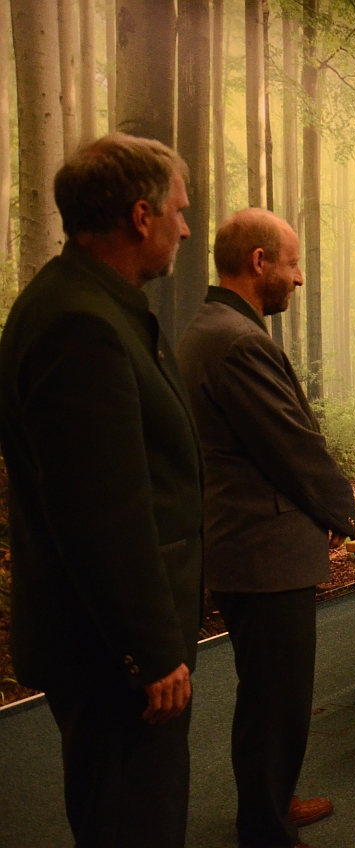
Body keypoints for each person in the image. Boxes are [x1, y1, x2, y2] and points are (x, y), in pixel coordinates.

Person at [0, 134, 201, 846]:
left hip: (110, 642)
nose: (186, 228)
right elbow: (101, 513)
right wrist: (149, 650)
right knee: (131, 821)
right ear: (141, 216)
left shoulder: (92, 305)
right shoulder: (79, 323)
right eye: (179, 210)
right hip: (111, 654)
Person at [177, 208, 355, 847]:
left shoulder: (210, 328)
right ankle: (266, 828)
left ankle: (271, 799)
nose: (299, 278)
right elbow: (291, 445)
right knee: (275, 698)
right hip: (262, 551)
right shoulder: (238, 340)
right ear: (259, 262)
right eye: (292, 263)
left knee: (267, 693)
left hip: (247, 544)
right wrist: (344, 511)